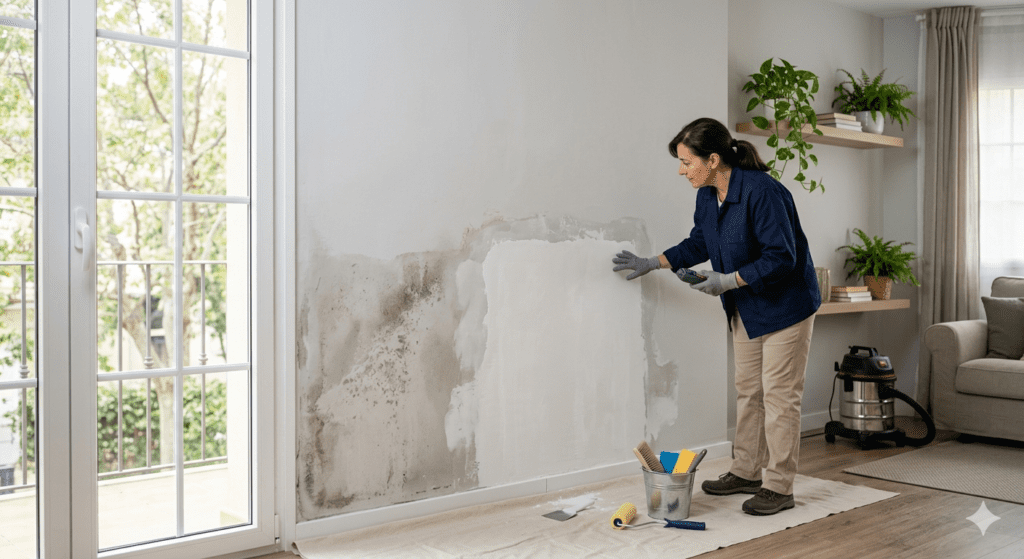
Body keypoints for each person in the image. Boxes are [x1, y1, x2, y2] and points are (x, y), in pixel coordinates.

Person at [612, 117, 820, 516]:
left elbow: (782, 257)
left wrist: (728, 280)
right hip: (747, 306)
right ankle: (746, 471)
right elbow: (699, 242)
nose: (681, 170)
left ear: (712, 159)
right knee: (749, 392)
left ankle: (779, 486)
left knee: (779, 397)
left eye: (686, 162)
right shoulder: (708, 195)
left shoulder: (763, 192)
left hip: (786, 306)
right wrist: (651, 262)